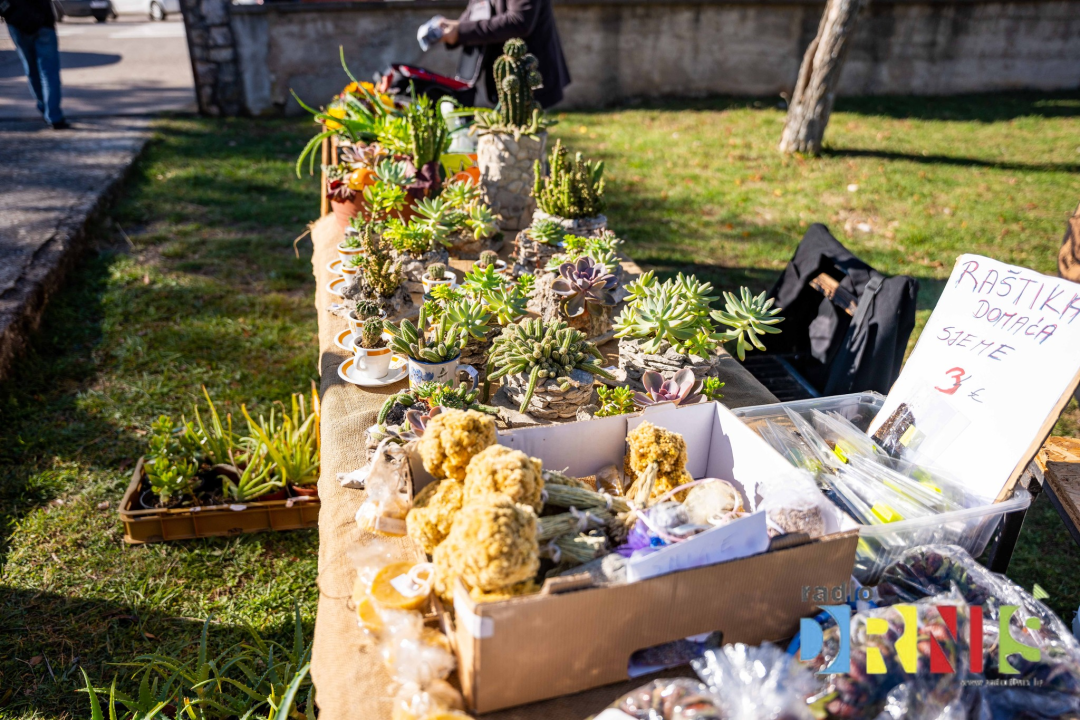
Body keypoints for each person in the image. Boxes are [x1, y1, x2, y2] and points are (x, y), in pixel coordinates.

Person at [437, 0, 570, 109]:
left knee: (525, 138)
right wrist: (450, 29)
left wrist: (460, 31)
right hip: (504, 79)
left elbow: (519, 21)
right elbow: (476, 10)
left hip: (529, 77)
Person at [2, 0, 69, 129]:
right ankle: (53, 115)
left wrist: (10, 12)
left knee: (34, 70)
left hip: (20, 22)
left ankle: (47, 109)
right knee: (48, 72)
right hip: (39, 22)